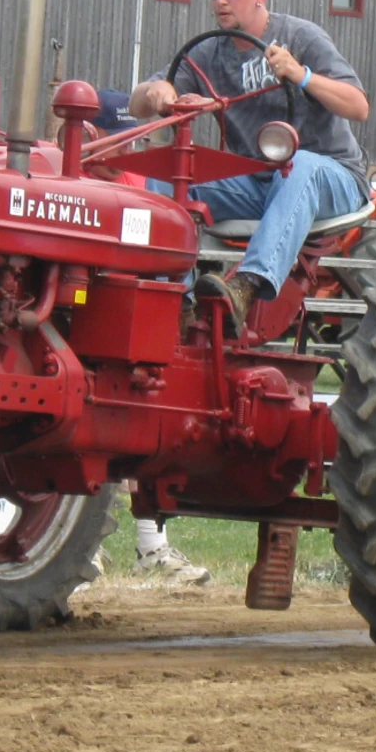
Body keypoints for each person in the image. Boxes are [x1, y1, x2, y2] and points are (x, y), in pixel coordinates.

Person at [128, 0, 369, 334]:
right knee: (170, 170)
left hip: (332, 177)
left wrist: (300, 74)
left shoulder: (300, 37)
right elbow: (138, 102)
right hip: (258, 181)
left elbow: (358, 106)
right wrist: (157, 89)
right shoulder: (208, 53)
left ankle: (245, 285)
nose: (219, 0)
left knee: (301, 164)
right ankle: (176, 301)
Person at [88, 88, 211, 586]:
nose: (124, 152)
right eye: (115, 142)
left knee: (140, 424)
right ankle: (86, 551)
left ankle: (149, 548)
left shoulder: (149, 186)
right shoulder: (75, 184)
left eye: (130, 142)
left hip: (144, 321)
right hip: (94, 312)